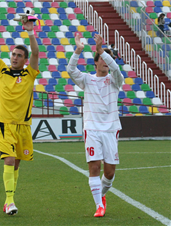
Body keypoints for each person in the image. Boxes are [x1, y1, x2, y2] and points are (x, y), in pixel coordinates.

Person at [0, 6, 40, 215]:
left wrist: (30, 31)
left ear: (24, 60)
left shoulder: (30, 73)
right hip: (4, 123)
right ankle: (10, 201)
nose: (14, 57)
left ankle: (9, 200)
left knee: (16, 165)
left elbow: (36, 53)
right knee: (10, 159)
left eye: (18, 55)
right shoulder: (1, 69)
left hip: (23, 125)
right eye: (13, 54)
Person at [67, 34, 124, 217]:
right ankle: (99, 206)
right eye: (103, 58)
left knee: (109, 172)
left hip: (111, 130)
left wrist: (102, 51)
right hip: (91, 128)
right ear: (96, 63)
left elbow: (116, 69)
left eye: (109, 58)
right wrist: (78, 50)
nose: (107, 61)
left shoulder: (115, 81)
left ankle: (102, 195)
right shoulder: (87, 80)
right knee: (94, 167)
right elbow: (71, 69)